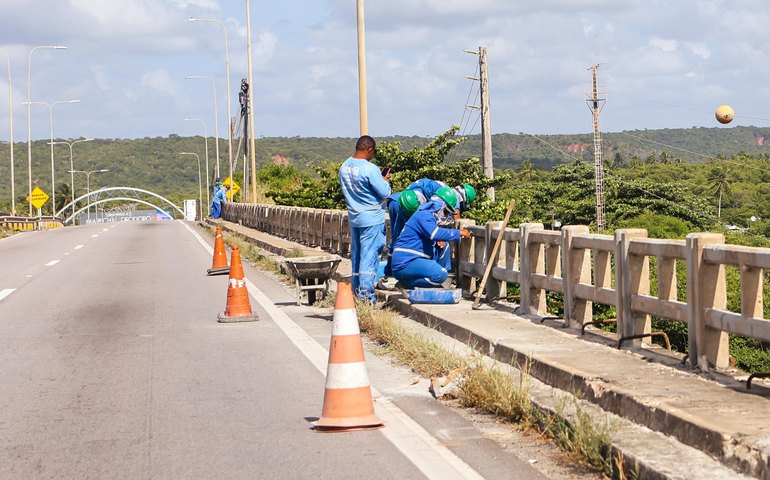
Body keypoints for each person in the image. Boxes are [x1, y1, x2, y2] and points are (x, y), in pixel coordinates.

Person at [339, 135, 391, 302]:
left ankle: (355, 292)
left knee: (357, 256)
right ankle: (366, 296)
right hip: (372, 218)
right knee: (369, 257)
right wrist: (385, 180)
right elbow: (384, 192)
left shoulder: (344, 166)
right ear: (369, 150)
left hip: (355, 217)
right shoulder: (370, 169)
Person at [391, 186, 471, 289]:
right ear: (440, 206)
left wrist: (439, 239)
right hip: (406, 262)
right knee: (440, 275)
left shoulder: (428, 216)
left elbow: (433, 234)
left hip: (416, 259)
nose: (446, 215)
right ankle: (407, 284)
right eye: (446, 212)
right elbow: (434, 233)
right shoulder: (424, 215)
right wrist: (459, 233)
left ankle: (434, 281)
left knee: (444, 247)